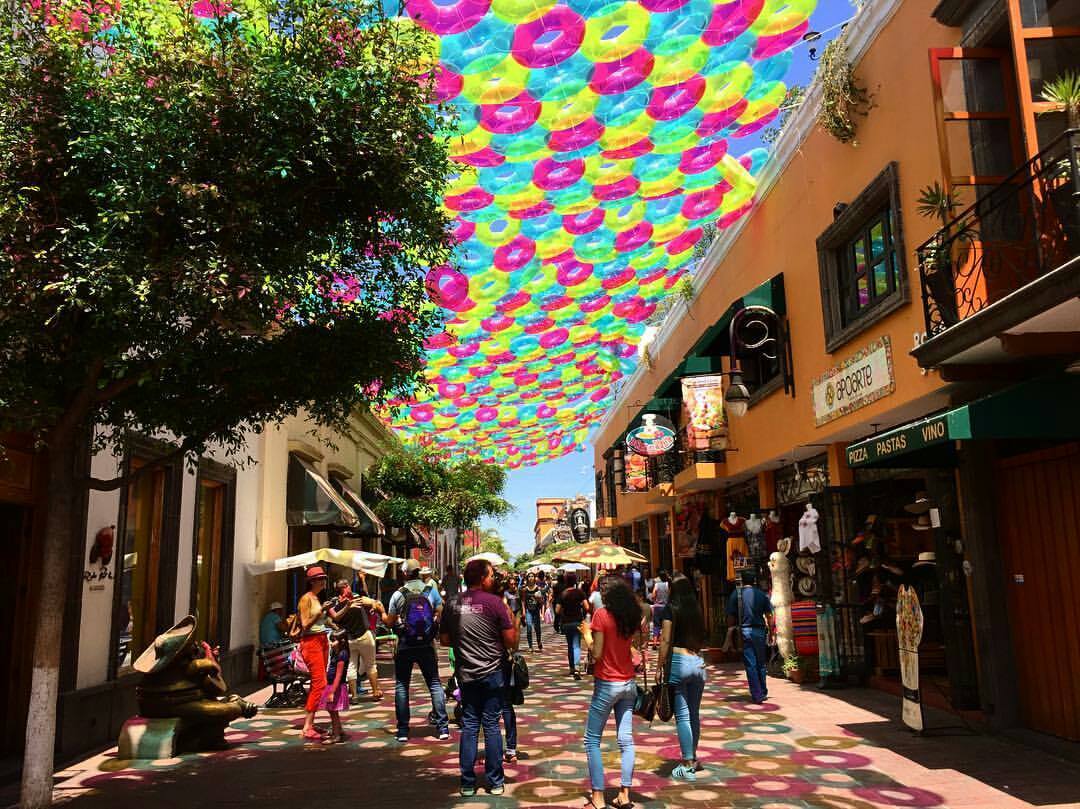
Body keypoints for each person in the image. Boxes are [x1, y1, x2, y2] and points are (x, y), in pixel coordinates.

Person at [441, 559, 518, 797]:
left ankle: (467, 783)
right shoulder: (495, 603)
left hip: (466, 673)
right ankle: (495, 782)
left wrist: (465, 642)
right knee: (492, 725)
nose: (493, 579)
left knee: (470, 725)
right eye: (491, 575)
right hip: (493, 672)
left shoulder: (452, 603)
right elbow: (511, 641)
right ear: (483, 579)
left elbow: (444, 640)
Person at [582, 576, 644, 809]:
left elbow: (597, 653)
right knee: (626, 740)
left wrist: (586, 634)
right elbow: (636, 644)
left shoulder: (601, 615)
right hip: (628, 684)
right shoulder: (630, 616)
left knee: (591, 740)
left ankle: (598, 796)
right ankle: (624, 794)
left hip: (607, 683)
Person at [385, 558, 449, 742]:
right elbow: (441, 612)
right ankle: (443, 728)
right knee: (434, 684)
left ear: (405, 573)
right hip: (426, 645)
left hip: (405, 644)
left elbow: (389, 622)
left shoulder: (398, 594)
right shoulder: (430, 591)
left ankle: (403, 730)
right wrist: (432, 625)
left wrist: (381, 612)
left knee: (402, 686)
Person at [658, 576, 707, 780]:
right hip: (698, 662)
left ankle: (687, 763)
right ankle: (692, 757)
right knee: (694, 714)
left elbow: (665, 639)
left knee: (683, 715)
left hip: (678, 661)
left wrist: (659, 665)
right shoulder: (696, 610)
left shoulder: (670, 609)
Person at [327, 578, 384, 702]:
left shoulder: (335, 606)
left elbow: (332, 620)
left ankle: (354, 696)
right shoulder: (356, 598)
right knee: (370, 665)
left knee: (352, 666)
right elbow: (375, 602)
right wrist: (374, 607)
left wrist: (338, 628)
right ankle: (375, 692)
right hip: (364, 636)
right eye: (348, 586)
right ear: (345, 587)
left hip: (350, 639)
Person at [727, 568, 774, 704]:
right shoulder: (761, 595)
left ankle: (757, 694)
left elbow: (730, 616)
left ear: (742, 580)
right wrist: (771, 632)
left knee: (750, 664)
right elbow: (769, 615)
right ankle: (763, 691)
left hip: (745, 632)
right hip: (760, 631)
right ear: (754, 581)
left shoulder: (736, 594)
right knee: (761, 663)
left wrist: (730, 631)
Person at [297, 565, 331, 741]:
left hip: (322, 640)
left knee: (317, 683)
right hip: (311, 642)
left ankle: (310, 723)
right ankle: (307, 727)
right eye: (319, 579)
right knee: (320, 683)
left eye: (324, 578)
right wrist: (320, 612)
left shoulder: (318, 598)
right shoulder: (306, 599)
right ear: (312, 582)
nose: (323, 581)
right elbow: (304, 625)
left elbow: (330, 620)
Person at [556, 573, 590, 679]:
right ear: (575, 581)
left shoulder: (563, 594)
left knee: (570, 645)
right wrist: (580, 607)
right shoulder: (580, 593)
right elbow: (587, 607)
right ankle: (576, 668)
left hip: (566, 622)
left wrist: (563, 612)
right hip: (577, 621)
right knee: (576, 645)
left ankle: (571, 668)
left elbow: (557, 610)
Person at [320, 629, 351, 744]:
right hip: (331, 685)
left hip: (336, 686)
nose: (331, 643)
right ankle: (339, 730)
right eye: (331, 640)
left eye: (333, 641)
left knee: (333, 711)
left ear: (342, 641)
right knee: (331, 710)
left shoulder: (342, 654)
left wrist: (332, 691)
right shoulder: (335, 652)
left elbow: (339, 675)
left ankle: (336, 735)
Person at [522, 573, 545, 651]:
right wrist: (523, 611)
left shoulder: (538, 588)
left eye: (532, 576)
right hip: (528, 610)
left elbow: (542, 602)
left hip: (536, 610)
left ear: (534, 578)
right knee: (529, 627)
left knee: (537, 627)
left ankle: (539, 641)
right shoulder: (525, 589)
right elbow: (523, 601)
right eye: (529, 576)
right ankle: (530, 646)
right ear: (527, 578)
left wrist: (539, 598)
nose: (531, 578)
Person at [650, 571, 670, 643]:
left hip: (657, 607)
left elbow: (653, 596)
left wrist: (655, 600)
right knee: (665, 624)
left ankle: (655, 642)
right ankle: (663, 642)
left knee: (656, 625)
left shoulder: (657, 585)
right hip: (665, 607)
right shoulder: (668, 585)